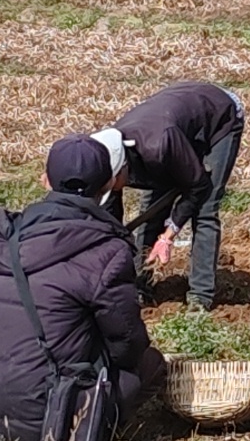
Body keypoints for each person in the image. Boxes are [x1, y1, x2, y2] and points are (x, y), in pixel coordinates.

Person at [0, 135, 157, 441]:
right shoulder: (106, 250)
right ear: (108, 184)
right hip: (51, 423)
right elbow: (126, 344)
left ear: (45, 179)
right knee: (147, 367)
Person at [102, 79, 242, 312]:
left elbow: (197, 186)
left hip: (219, 116)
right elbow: (111, 215)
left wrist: (168, 235)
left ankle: (200, 297)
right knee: (152, 207)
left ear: (123, 169)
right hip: (174, 121)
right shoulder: (109, 155)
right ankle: (139, 286)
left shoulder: (159, 147)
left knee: (205, 209)